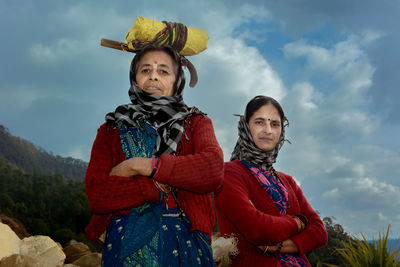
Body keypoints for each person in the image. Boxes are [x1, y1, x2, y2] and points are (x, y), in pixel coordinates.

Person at [84, 20, 223, 266]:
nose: (153, 77)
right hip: (125, 240)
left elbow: (211, 170)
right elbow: (98, 193)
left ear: (177, 79)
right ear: (134, 77)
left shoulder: (196, 123)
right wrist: (151, 189)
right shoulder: (112, 128)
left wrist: (140, 166)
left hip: (185, 242)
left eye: (163, 71)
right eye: (145, 70)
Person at [215, 95, 327, 266]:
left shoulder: (287, 181)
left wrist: (279, 246)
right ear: (246, 127)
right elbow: (258, 230)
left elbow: (320, 232)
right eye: (259, 122)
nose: (268, 130)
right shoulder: (229, 173)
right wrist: (299, 222)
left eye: (275, 124)